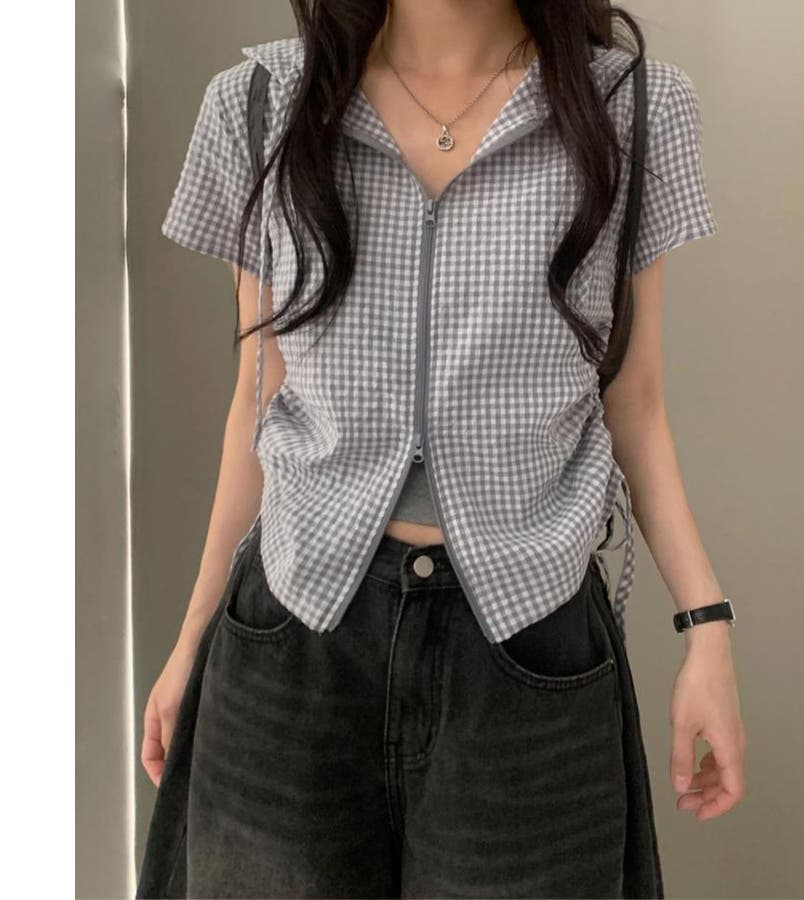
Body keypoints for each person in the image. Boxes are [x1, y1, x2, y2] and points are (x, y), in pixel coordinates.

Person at [138, 2, 747, 898]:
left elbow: (636, 401)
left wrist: (707, 630)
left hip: (526, 654)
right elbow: (257, 400)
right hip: (291, 645)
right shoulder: (260, 104)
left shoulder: (632, 108)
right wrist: (193, 636)